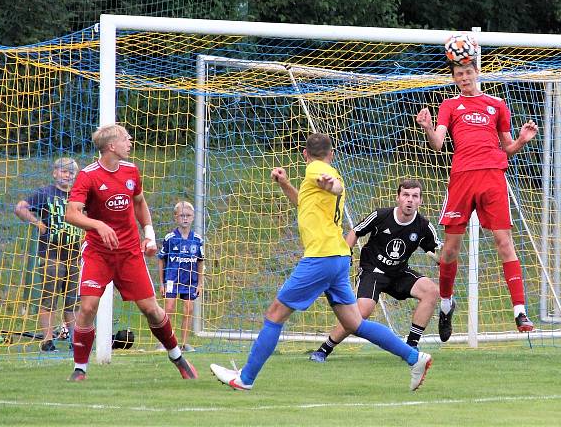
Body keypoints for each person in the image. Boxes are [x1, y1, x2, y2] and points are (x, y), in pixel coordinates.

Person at [210, 133, 432, 391]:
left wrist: (331, 184)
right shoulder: (319, 179)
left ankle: (245, 378)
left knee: (274, 314)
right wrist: (285, 183)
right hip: (337, 257)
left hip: (321, 258)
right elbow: (304, 204)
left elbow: (331, 183)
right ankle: (415, 358)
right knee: (354, 323)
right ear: (332, 153)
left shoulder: (317, 170)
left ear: (305, 154)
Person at [416, 45, 538, 341]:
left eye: (468, 72)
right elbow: (437, 144)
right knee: (450, 250)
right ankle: (446, 304)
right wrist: (428, 127)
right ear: (455, 78)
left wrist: (522, 140)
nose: (464, 77)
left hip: (492, 178)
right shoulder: (449, 105)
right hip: (461, 179)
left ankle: (519, 310)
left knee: (503, 241)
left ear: (477, 73)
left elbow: (507, 146)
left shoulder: (497, 105)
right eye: (459, 74)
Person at [63, 124, 197, 381]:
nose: (130, 142)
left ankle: (177, 356)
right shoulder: (88, 176)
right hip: (98, 254)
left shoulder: (131, 170)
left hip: (129, 254)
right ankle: (80, 369)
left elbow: (139, 202)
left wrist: (149, 234)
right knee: (88, 306)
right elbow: (71, 213)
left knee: (152, 310)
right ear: (111, 146)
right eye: (126, 139)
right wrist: (99, 225)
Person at [309, 178, 441, 362]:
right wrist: (346, 256)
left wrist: (443, 259)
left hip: (399, 273)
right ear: (398, 197)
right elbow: (356, 231)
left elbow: (439, 253)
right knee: (360, 313)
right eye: (406, 195)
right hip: (373, 271)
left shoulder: (424, 226)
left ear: (420, 201)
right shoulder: (381, 215)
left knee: (432, 291)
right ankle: (324, 350)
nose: (410, 200)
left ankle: (411, 346)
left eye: (414, 196)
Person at [14, 157, 82, 352]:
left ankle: (74, 340)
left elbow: (90, 217)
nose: (67, 175)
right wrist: (38, 224)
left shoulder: (78, 196)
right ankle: (47, 339)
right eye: (63, 171)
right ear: (55, 173)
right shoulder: (45, 193)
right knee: (49, 297)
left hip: (74, 255)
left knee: (72, 300)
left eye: (71, 172)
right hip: (50, 254)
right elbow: (20, 208)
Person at [156, 201, 204, 352]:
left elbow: (200, 262)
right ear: (175, 217)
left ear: (193, 217)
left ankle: (183, 344)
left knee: (188, 310)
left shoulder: (197, 239)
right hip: (171, 278)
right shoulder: (170, 238)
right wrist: (161, 283)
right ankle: (165, 343)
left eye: (188, 215)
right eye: (182, 215)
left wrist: (200, 283)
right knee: (168, 308)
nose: (185, 218)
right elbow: (161, 259)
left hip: (190, 280)